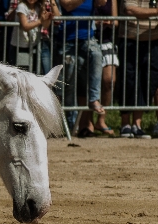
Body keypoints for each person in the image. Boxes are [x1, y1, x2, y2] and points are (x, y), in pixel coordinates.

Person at [56, 0, 105, 137]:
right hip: (67, 41)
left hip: (87, 39)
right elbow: (67, 4)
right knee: (69, 83)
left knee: (97, 55)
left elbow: (102, 3)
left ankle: (94, 98)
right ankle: (72, 125)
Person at [117, 0, 157, 139]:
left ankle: (137, 125)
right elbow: (130, 9)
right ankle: (125, 124)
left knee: (148, 81)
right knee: (128, 80)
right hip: (130, 39)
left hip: (153, 41)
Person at [94, 0, 118, 136]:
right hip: (90, 40)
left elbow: (116, 22)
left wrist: (108, 22)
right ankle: (87, 123)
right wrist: (96, 22)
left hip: (107, 42)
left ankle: (101, 120)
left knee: (110, 81)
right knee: (88, 83)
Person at [8, 0, 54, 69]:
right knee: (19, 74)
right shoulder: (21, 7)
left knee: (32, 73)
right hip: (19, 47)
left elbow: (45, 26)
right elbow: (25, 26)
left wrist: (47, 19)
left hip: (33, 45)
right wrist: (40, 21)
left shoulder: (39, 7)